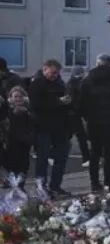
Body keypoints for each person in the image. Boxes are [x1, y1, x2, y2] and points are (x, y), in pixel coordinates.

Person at [80, 54, 110, 191]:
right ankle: (108, 182)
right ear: (109, 64)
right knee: (109, 154)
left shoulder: (88, 80)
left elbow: (82, 102)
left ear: (97, 63)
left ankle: (94, 182)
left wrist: (88, 117)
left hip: (94, 122)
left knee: (94, 153)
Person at [29, 59, 72, 197]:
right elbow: (36, 105)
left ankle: (56, 186)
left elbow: (63, 102)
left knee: (61, 156)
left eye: (57, 73)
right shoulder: (37, 84)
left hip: (59, 127)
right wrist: (58, 102)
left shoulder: (59, 83)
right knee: (43, 158)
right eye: (53, 72)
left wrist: (67, 102)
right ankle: (41, 187)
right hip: (43, 126)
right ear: (45, 69)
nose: (55, 75)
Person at [2, 86, 33, 185]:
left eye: (20, 96)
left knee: (24, 167)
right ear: (11, 98)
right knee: (13, 166)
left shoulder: (28, 110)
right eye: (15, 97)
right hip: (11, 143)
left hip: (25, 142)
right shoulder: (7, 110)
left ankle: (20, 188)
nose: (18, 99)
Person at [64, 66, 91, 168]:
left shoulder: (70, 83)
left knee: (69, 136)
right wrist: (81, 110)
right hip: (74, 114)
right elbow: (75, 100)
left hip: (71, 114)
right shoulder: (75, 84)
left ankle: (53, 155)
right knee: (81, 136)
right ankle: (86, 158)